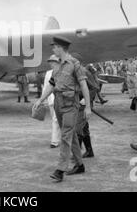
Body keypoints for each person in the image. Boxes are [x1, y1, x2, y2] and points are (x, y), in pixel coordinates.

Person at [34, 37, 91, 183]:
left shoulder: (74, 64)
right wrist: (41, 99)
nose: (53, 49)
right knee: (70, 135)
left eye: (55, 47)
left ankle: (60, 170)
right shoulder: (57, 66)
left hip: (71, 105)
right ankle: (79, 164)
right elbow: (51, 85)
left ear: (61, 48)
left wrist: (88, 107)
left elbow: (84, 85)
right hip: (59, 104)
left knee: (65, 136)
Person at [71, 52, 99, 158]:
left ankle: (76, 155)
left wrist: (86, 101)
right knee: (84, 128)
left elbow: (95, 88)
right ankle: (89, 151)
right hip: (77, 104)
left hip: (83, 105)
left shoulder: (84, 72)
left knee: (77, 128)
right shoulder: (74, 72)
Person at [42, 55, 61, 148]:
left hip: (59, 99)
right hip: (52, 100)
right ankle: (56, 140)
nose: (51, 63)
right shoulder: (49, 73)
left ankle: (55, 141)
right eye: (50, 62)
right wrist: (43, 99)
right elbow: (46, 87)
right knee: (56, 120)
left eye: (52, 61)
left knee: (56, 120)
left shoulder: (61, 72)